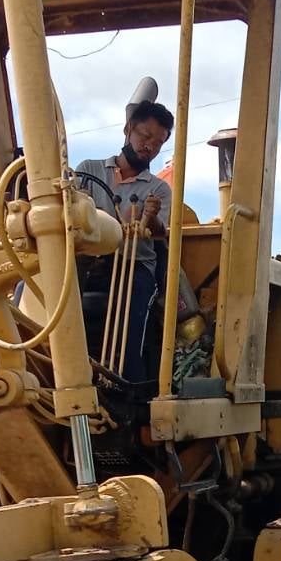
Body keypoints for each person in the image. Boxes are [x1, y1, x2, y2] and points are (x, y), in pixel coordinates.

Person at [74, 100, 174, 385]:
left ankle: (133, 389)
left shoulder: (159, 189)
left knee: (131, 328)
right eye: (145, 136)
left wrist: (150, 217)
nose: (150, 147)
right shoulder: (88, 171)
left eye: (158, 143)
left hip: (135, 265)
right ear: (128, 130)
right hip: (89, 261)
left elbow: (160, 232)